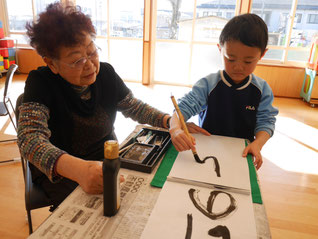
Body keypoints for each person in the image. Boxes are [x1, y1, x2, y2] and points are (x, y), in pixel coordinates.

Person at [17, 2, 171, 210]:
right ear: (52, 63)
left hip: (108, 158)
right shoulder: (41, 82)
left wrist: (169, 121)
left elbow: (134, 107)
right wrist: (78, 170)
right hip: (64, 171)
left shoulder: (106, 74)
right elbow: (30, 138)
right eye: (77, 60)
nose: (89, 65)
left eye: (92, 52)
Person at [169, 13, 279, 170]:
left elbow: (266, 122)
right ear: (220, 49)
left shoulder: (262, 90)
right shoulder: (208, 84)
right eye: (230, 58)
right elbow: (183, 108)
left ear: (262, 54)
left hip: (241, 153)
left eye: (248, 61)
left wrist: (258, 144)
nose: (238, 67)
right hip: (207, 150)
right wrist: (175, 128)